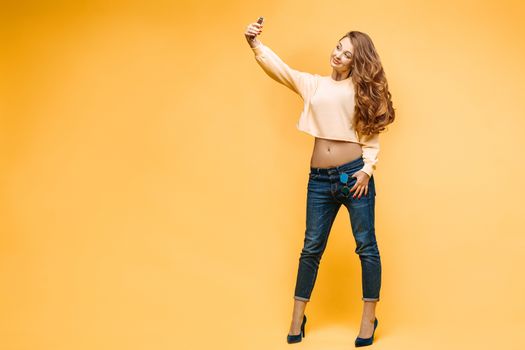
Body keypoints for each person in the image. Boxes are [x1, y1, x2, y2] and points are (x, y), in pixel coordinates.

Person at [244, 20, 395, 347]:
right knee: (311, 248)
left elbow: (372, 138)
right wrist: (254, 45)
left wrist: (367, 170)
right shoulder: (314, 85)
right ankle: (298, 317)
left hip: (355, 177)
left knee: (366, 246)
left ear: (358, 61)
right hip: (320, 181)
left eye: (347, 53)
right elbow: (280, 69)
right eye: (338, 47)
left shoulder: (362, 92)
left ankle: (369, 318)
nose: (338, 54)